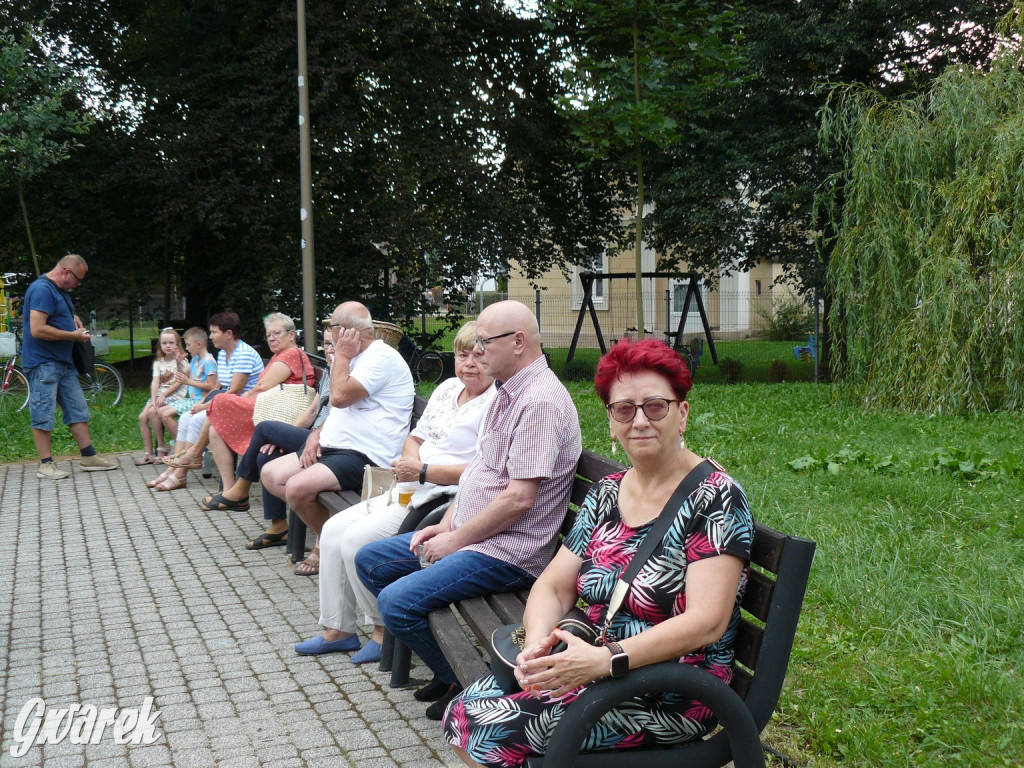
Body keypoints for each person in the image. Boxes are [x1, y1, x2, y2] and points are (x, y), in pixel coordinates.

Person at [442, 338, 755, 768]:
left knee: (490, 729)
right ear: (610, 422)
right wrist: (535, 648)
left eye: (655, 406)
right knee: (463, 710)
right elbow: (553, 585)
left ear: (682, 414)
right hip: (593, 658)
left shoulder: (715, 498)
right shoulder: (608, 492)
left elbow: (706, 621)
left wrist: (602, 661)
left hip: (672, 687)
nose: (640, 420)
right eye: (624, 409)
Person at [355, 300, 582, 720]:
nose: (476, 352)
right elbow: (480, 473)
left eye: (484, 342)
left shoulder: (539, 402)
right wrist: (445, 523)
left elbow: (519, 499)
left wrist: (456, 539)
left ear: (517, 342)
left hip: (511, 552)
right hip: (479, 535)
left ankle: (472, 688)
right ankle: (451, 673)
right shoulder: (508, 391)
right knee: (372, 560)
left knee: (398, 601)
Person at [295, 321, 496, 663]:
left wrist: (423, 471)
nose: (469, 364)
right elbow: (416, 437)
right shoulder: (448, 388)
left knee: (355, 541)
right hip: (407, 486)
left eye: (479, 356)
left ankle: (380, 630)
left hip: (438, 499)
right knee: (330, 531)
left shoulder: (496, 403)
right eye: (463, 355)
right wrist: (412, 461)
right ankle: (338, 631)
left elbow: (484, 471)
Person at [261, 301, 414, 575]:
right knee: (271, 474)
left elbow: (341, 398)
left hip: (367, 455)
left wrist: (341, 357)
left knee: (297, 488)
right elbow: (339, 411)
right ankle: (333, 536)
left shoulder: (379, 358)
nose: (329, 337)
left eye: (332, 328)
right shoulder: (357, 358)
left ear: (345, 332)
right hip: (337, 446)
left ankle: (329, 543)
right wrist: (317, 434)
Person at [211, 330, 336, 550]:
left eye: (334, 344)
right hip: (310, 435)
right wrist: (283, 437)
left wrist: (280, 433)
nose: (330, 349)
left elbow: (339, 414)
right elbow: (312, 411)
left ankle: (241, 489)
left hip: (325, 441)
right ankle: (278, 527)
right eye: (326, 344)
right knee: (266, 453)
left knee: (264, 427)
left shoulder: (347, 374)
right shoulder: (329, 370)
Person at [21, 253, 118, 479]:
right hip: (44, 363)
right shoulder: (42, 290)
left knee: (78, 410)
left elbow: (54, 313)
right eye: (77, 279)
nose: (78, 284)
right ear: (66, 272)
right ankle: (46, 465)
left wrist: (71, 315)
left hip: (63, 363)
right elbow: (37, 329)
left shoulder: (59, 291)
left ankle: (89, 456)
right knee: (43, 412)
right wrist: (72, 335)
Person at [202, 312, 314, 502]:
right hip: (268, 410)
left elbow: (261, 387)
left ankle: (195, 454)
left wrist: (243, 397)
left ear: (292, 335)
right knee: (215, 430)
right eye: (268, 335)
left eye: (276, 333)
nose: (271, 338)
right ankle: (229, 491)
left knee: (219, 401)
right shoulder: (280, 356)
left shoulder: (292, 354)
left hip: (278, 415)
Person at [154, 311, 263, 491]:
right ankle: (176, 469)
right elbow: (218, 387)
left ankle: (184, 468)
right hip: (228, 404)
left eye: (214, 332)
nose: (210, 337)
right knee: (187, 417)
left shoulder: (243, 353)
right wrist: (203, 403)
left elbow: (234, 390)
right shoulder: (223, 353)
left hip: (243, 407)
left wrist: (206, 405)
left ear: (228, 334)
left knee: (198, 419)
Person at [155, 326, 218, 447]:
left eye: (189, 345)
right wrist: (179, 363)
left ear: (198, 344)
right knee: (160, 411)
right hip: (192, 399)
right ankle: (184, 443)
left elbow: (212, 386)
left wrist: (189, 382)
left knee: (165, 414)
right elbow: (182, 375)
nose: (187, 348)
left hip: (200, 401)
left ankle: (185, 446)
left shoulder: (208, 361)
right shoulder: (195, 359)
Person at [134, 328, 188, 465]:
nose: (168, 346)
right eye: (164, 343)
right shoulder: (159, 362)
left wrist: (163, 394)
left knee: (153, 412)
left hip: (174, 396)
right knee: (142, 417)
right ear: (160, 345)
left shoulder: (181, 361)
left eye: (171, 342)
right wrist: (153, 399)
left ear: (177, 344)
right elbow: (155, 381)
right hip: (159, 396)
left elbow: (179, 382)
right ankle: (149, 453)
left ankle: (161, 448)